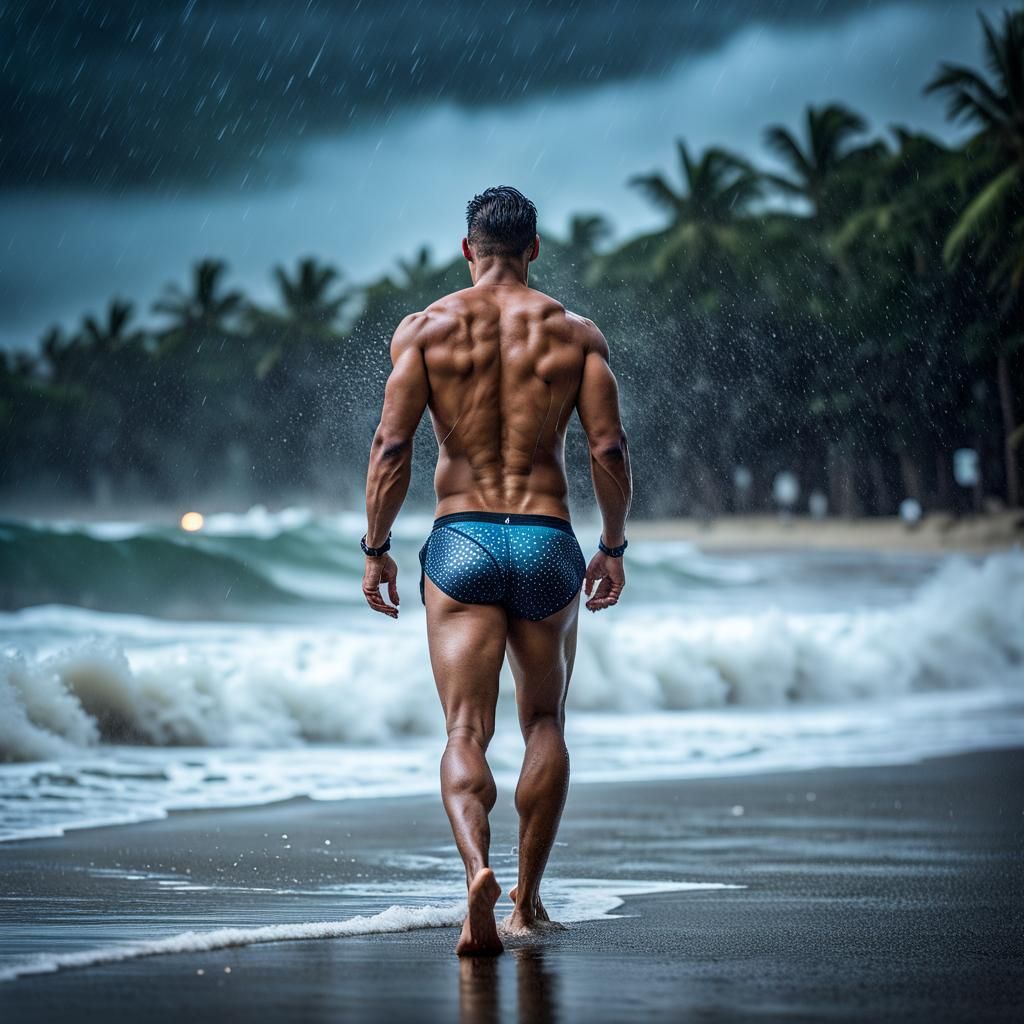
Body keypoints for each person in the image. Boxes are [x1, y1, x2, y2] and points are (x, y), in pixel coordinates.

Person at [361, 185, 632, 956]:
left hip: (462, 540)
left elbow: (390, 448)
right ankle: (527, 903)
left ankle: (475, 873)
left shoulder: (426, 329)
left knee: (463, 728)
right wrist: (611, 548)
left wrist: (376, 548)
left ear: (467, 248)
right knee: (543, 722)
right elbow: (608, 451)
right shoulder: (576, 335)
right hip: (546, 539)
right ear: (535, 250)